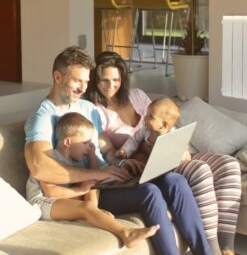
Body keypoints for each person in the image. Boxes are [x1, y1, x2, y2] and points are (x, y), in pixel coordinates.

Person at [24, 45, 212, 255]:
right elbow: (39, 166)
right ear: (57, 77)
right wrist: (98, 174)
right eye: (77, 81)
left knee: (175, 181)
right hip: (89, 188)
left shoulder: (87, 108)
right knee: (149, 193)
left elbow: (105, 148)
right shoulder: (43, 117)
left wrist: (121, 163)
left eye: (86, 82)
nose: (83, 88)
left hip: (106, 179)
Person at [86, 51, 242, 255]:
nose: (110, 86)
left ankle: (227, 248)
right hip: (145, 166)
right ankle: (211, 250)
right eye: (104, 80)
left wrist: (180, 147)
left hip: (167, 155)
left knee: (229, 164)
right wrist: (126, 160)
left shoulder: (138, 95)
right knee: (200, 171)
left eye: (116, 79)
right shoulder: (95, 110)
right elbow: (108, 153)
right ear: (95, 80)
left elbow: (164, 119)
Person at [26, 111, 159, 248]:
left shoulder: (75, 160)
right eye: (86, 143)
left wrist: (91, 156)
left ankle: (94, 212)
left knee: (91, 186)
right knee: (86, 204)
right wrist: (80, 190)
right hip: (42, 203)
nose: (90, 146)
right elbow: (50, 192)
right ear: (67, 142)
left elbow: (92, 178)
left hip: (61, 199)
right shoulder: (52, 159)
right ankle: (126, 233)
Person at [115, 97, 188, 164]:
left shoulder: (172, 134)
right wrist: (125, 150)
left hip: (167, 161)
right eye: (147, 114)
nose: (145, 117)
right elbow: (134, 140)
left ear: (164, 125)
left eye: (151, 117)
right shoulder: (145, 131)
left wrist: (182, 153)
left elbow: (182, 144)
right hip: (151, 160)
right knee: (139, 157)